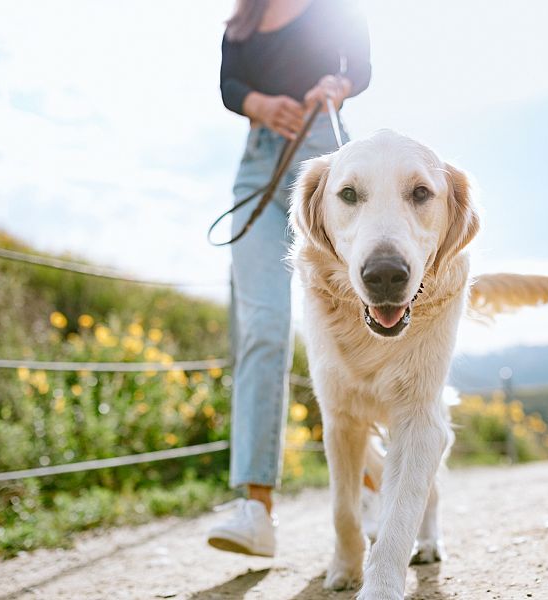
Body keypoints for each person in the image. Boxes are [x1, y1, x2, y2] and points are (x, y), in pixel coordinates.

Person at [207, 0, 371, 557]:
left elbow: (362, 67)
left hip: (327, 159)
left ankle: (374, 479)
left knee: (354, 318)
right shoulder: (243, 20)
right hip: (257, 166)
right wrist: (259, 102)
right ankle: (255, 507)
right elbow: (230, 84)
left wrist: (337, 84)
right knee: (264, 325)